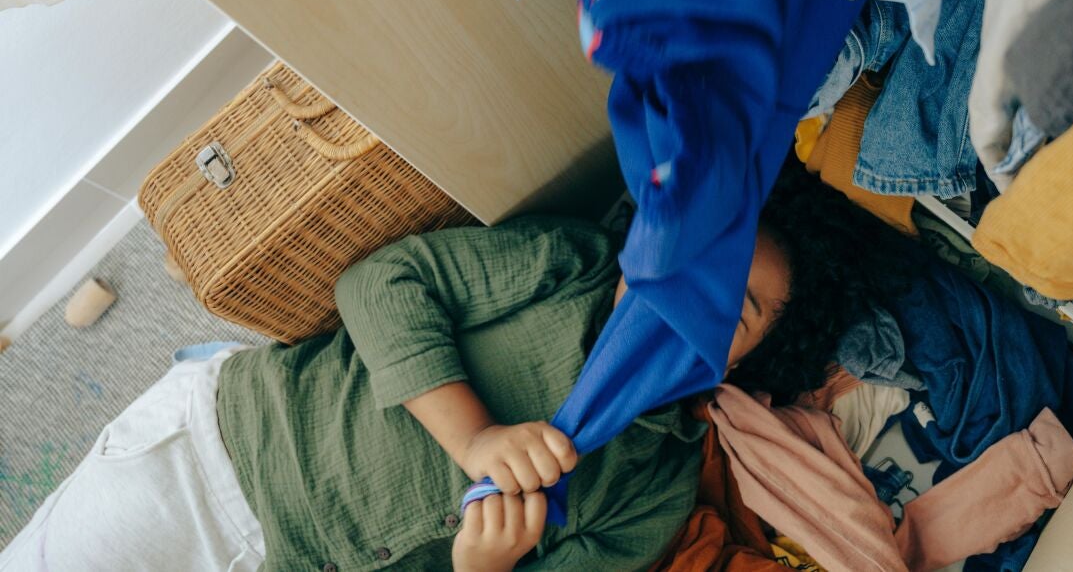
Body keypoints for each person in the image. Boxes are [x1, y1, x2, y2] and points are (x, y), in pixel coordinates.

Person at [0, 200, 805, 571]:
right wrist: (474, 436)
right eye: (702, 258)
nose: (702, 295)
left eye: (738, 309)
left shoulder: (654, 492)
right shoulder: (569, 267)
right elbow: (380, 285)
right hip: (222, 460)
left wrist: (483, 568)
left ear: (731, 365)